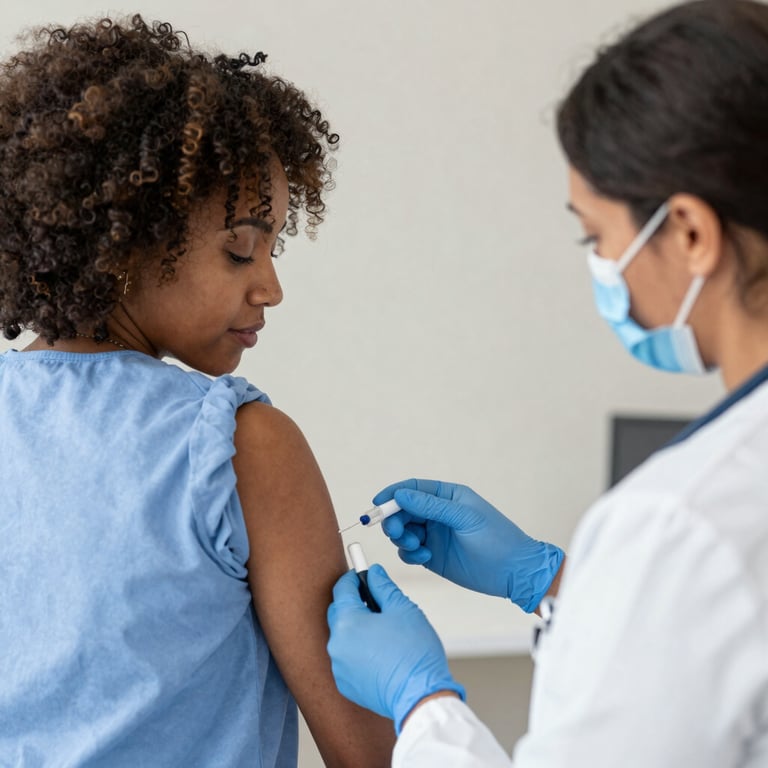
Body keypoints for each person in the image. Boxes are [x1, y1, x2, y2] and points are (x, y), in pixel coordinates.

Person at [326, 1, 768, 765]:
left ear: (691, 234)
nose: (600, 269)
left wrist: (421, 701)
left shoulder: (682, 524)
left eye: (598, 237)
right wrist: (556, 582)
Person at [0, 15, 395, 767]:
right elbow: (369, 755)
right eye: (241, 251)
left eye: (274, 250)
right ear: (126, 238)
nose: (271, 287)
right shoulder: (241, 445)